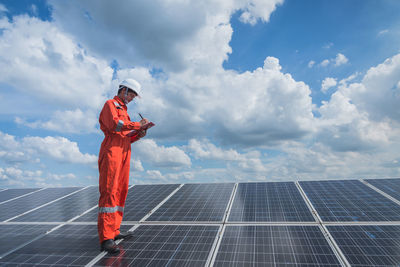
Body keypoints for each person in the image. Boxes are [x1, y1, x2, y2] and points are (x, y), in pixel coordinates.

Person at [97, 79, 148, 254]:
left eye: (135, 95)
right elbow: (114, 124)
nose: (133, 97)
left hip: (124, 152)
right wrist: (137, 125)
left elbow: (126, 136)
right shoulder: (110, 104)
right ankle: (106, 238)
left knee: (120, 191)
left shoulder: (125, 111)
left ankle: (114, 231)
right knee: (109, 193)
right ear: (124, 90)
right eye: (132, 94)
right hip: (112, 152)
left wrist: (139, 133)